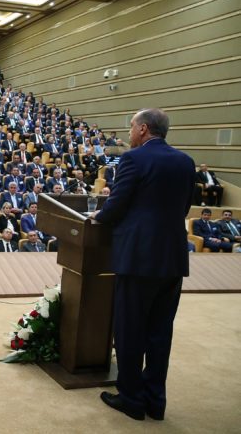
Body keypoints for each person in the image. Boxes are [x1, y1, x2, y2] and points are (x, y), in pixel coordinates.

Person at [90, 108, 195, 421]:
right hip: (173, 257)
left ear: (144, 129)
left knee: (130, 330)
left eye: (132, 127)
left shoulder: (133, 159)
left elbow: (118, 203)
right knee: (160, 332)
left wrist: (100, 216)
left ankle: (132, 399)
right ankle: (155, 401)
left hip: (139, 259)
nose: (130, 133)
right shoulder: (185, 161)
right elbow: (185, 206)